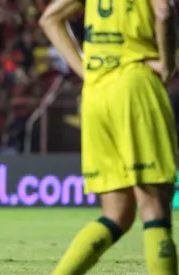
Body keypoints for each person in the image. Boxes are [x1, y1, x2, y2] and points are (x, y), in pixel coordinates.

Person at [40, 0, 178, 274]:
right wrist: (167, 63)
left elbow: (50, 18)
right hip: (134, 86)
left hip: (96, 93)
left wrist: (85, 70)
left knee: (117, 214)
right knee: (155, 208)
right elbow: (164, 12)